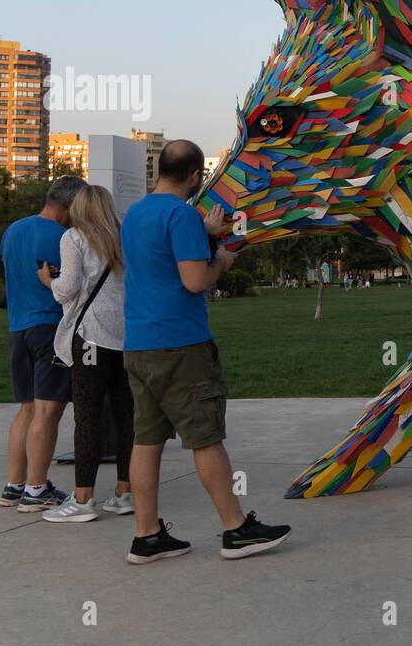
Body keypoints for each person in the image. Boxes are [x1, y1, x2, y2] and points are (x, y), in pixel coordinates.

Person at [121, 139, 290, 564]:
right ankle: (236, 530)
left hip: (138, 344)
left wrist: (205, 233)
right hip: (179, 344)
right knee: (205, 436)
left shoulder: (136, 212)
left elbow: (158, 260)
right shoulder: (181, 214)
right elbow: (196, 281)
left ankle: (147, 536)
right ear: (197, 176)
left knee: (146, 440)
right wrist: (224, 258)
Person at [42, 185, 135, 523]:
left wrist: (48, 282)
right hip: (125, 337)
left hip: (91, 338)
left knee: (87, 417)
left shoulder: (74, 238)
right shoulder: (124, 238)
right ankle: (125, 493)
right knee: (127, 415)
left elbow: (67, 288)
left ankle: (83, 499)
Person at [0, 175, 86, 511]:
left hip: (17, 328)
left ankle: (14, 485)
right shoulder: (66, 236)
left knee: (27, 409)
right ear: (70, 205)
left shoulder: (13, 230)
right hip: (50, 328)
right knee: (48, 410)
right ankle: (37, 489)